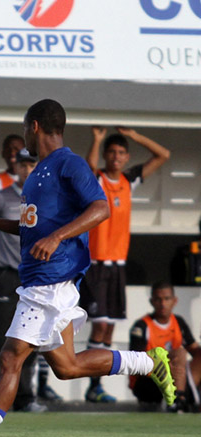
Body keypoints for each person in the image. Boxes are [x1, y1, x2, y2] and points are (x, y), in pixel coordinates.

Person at [0, 99, 176, 437]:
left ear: (34, 126)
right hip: (41, 279)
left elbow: (100, 208)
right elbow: (35, 227)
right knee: (67, 366)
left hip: (52, 279)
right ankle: (147, 362)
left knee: (10, 358)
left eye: (24, 128)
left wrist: (58, 237)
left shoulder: (69, 164)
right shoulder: (39, 173)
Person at [80, 126, 170, 403]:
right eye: (112, 152)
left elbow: (163, 155)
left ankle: (98, 386)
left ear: (127, 157)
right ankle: (93, 386)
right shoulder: (98, 179)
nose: (116, 157)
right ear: (106, 155)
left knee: (109, 328)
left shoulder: (129, 181)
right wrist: (96, 139)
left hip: (118, 265)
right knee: (98, 326)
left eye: (121, 152)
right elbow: (89, 166)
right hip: (96, 264)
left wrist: (135, 136)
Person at [0, 148, 47, 413]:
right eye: (22, 165)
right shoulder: (1, 197)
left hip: (33, 277)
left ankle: (26, 398)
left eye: (32, 165)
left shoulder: (44, 197)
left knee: (30, 336)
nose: (27, 170)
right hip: (6, 275)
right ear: (15, 168)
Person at [129, 281, 201, 412]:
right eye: (158, 299)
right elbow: (135, 362)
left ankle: (181, 398)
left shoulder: (178, 322)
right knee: (179, 354)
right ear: (152, 302)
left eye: (167, 299)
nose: (162, 304)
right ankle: (177, 399)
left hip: (176, 378)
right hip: (148, 382)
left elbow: (195, 350)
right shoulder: (142, 326)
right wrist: (167, 366)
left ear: (174, 301)